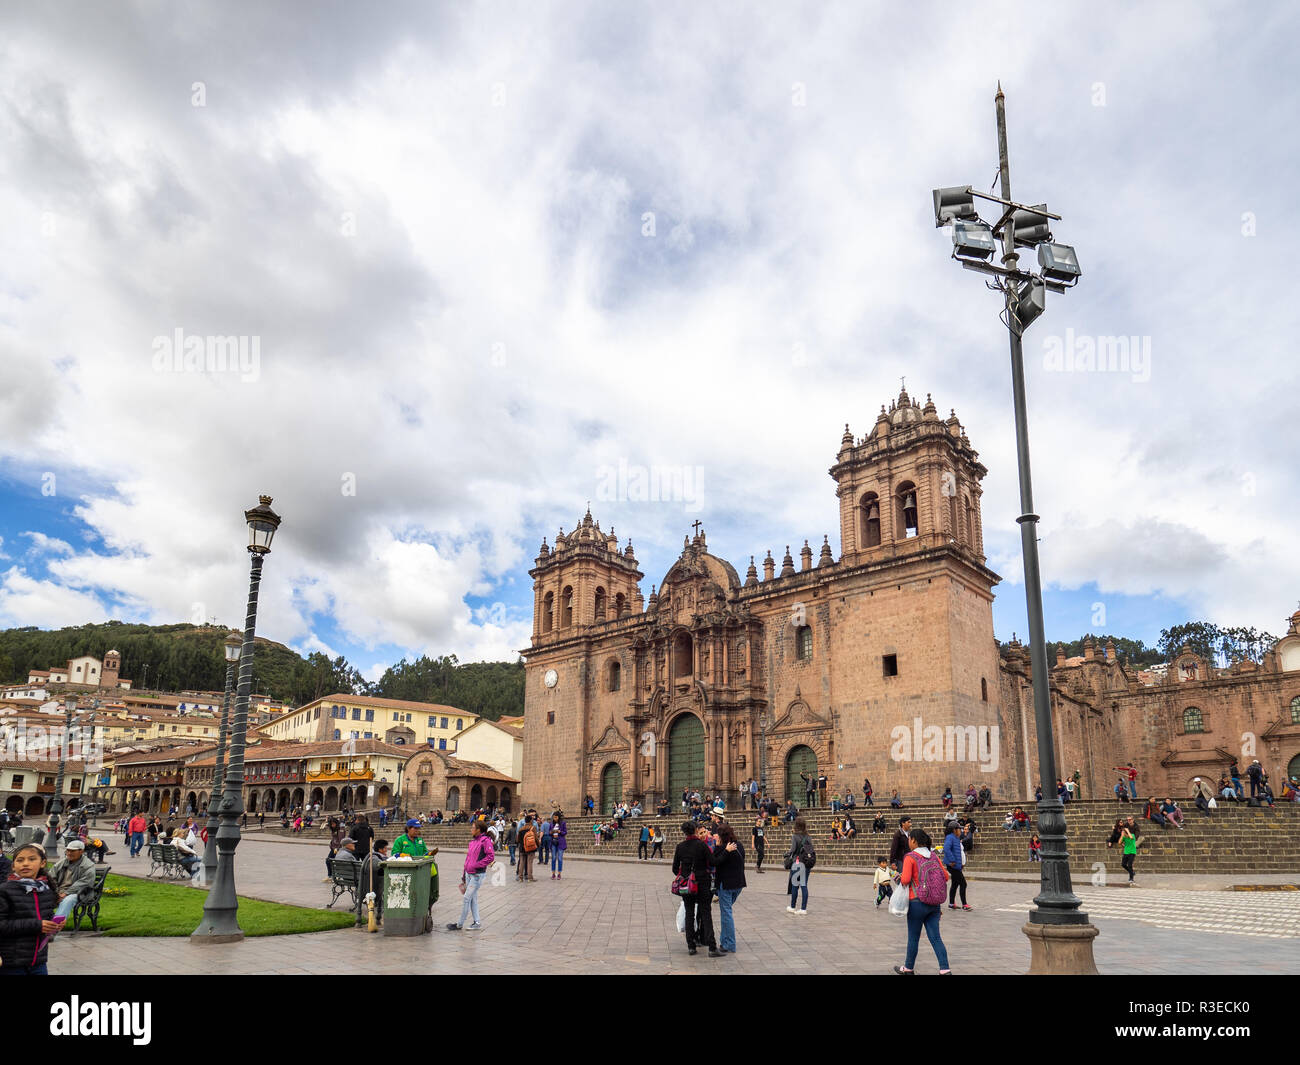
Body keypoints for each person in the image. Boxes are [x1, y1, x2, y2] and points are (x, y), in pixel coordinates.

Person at [893, 828, 951, 975]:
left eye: (909, 839)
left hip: (916, 902)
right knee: (936, 938)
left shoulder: (910, 857)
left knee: (913, 937)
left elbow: (905, 880)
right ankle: (945, 969)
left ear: (913, 840)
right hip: (934, 904)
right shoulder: (933, 856)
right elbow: (945, 876)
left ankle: (908, 968)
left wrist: (897, 877)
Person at [0, 843, 61, 974]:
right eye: (20, 860)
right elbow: (2, 925)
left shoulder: (46, 890)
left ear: (43, 863)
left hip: (38, 961)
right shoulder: (5, 891)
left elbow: (45, 917)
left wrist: (54, 924)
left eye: (32, 859)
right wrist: (37, 925)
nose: (25, 864)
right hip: (11, 963)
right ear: (13, 865)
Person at [672, 820, 719, 956]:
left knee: (689, 914)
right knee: (706, 914)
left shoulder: (680, 847)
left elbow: (675, 868)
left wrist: (686, 876)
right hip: (703, 883)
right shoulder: (701, 845)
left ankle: (691, 946)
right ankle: (712, 948)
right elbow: (713, 862)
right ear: (695, 830)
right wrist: (726, 852)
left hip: (687, 885)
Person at [447, 820, 494, 932]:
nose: (471, 829)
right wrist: (464, 874)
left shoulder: (485, 841)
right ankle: (477, 922)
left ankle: (459, 924)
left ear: (479, 830)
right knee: (472, 899)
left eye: (473, 827)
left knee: (466, 898)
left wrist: (477, 865)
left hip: (477, 875)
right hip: (469, 874)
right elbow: (468, 859)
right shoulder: (472, 842)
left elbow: (490, 856)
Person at [711, 821, 746, 954]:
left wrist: (718, 846)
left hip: (725, 885)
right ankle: (724, 940)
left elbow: (714, 861)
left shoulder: (721, 849)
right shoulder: (740, 846)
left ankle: (729, 944)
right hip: (738, 885)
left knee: (726, 913)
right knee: (726, 912)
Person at [783, 816, 815, 915]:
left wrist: (786, 854)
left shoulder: (795, 836)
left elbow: (793, 850)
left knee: (795, 885)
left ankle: (793, 907)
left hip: (797, 863)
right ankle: (803, 909)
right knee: (804, 885)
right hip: (807, 863)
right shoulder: (808, 836)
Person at [50, 839, 96, 908]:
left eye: (72, 851)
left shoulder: (88, 865)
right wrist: (56, 892)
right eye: (67, 850)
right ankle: (41, 918)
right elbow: (51, 876)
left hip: (80, 893)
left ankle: (58, 919)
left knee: (68, 900)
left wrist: (65, 893)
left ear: (81, 851)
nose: (69, 853)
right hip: (60, 891)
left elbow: (84, 883)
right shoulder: (62, 862)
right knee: (42, 897)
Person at [942, 822, 969, 911]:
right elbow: (946, 848)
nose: (960, 830)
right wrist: (952, 860)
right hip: (952, 865)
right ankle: (964, 904)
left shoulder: (955, 838)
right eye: (959, 829)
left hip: (956, 866)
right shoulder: (950, 837)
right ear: (954, 830)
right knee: (963, 884)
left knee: (955, 883)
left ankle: (951, 903)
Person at [361, 839, 388, 927]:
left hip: (363, 884)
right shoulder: (379, 858)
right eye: (385, 848)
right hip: (376, 885)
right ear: (380, 850)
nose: (386, 850)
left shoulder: (370, 856)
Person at [1120, 817, 1140, 885]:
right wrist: (1122, 836)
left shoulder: (1135, 829)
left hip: (1132, 851)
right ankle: (1132, 872)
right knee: (1123, 864)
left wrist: (1128, 832)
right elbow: (1119, 842)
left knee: (1130, 864)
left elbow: (1133, 837)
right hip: (1126, 851)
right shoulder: (1126, 826)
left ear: (1133, 820)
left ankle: (1131, 878)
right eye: (1128, 819)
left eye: (1130, 819)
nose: (1129, 821)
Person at [549, 812, 568, 880]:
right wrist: (551, 832)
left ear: (559, 817)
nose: (554, 818)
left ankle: (559, 873)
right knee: (553, 858)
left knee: (560, 858)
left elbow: (565, 832)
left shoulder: (563, 823)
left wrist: (560, 832)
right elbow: (549, 832)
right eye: (554, 817)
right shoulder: (551, 824)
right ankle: (553, 873)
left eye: (556, 817)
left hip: (560, 843)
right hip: (553, 842)